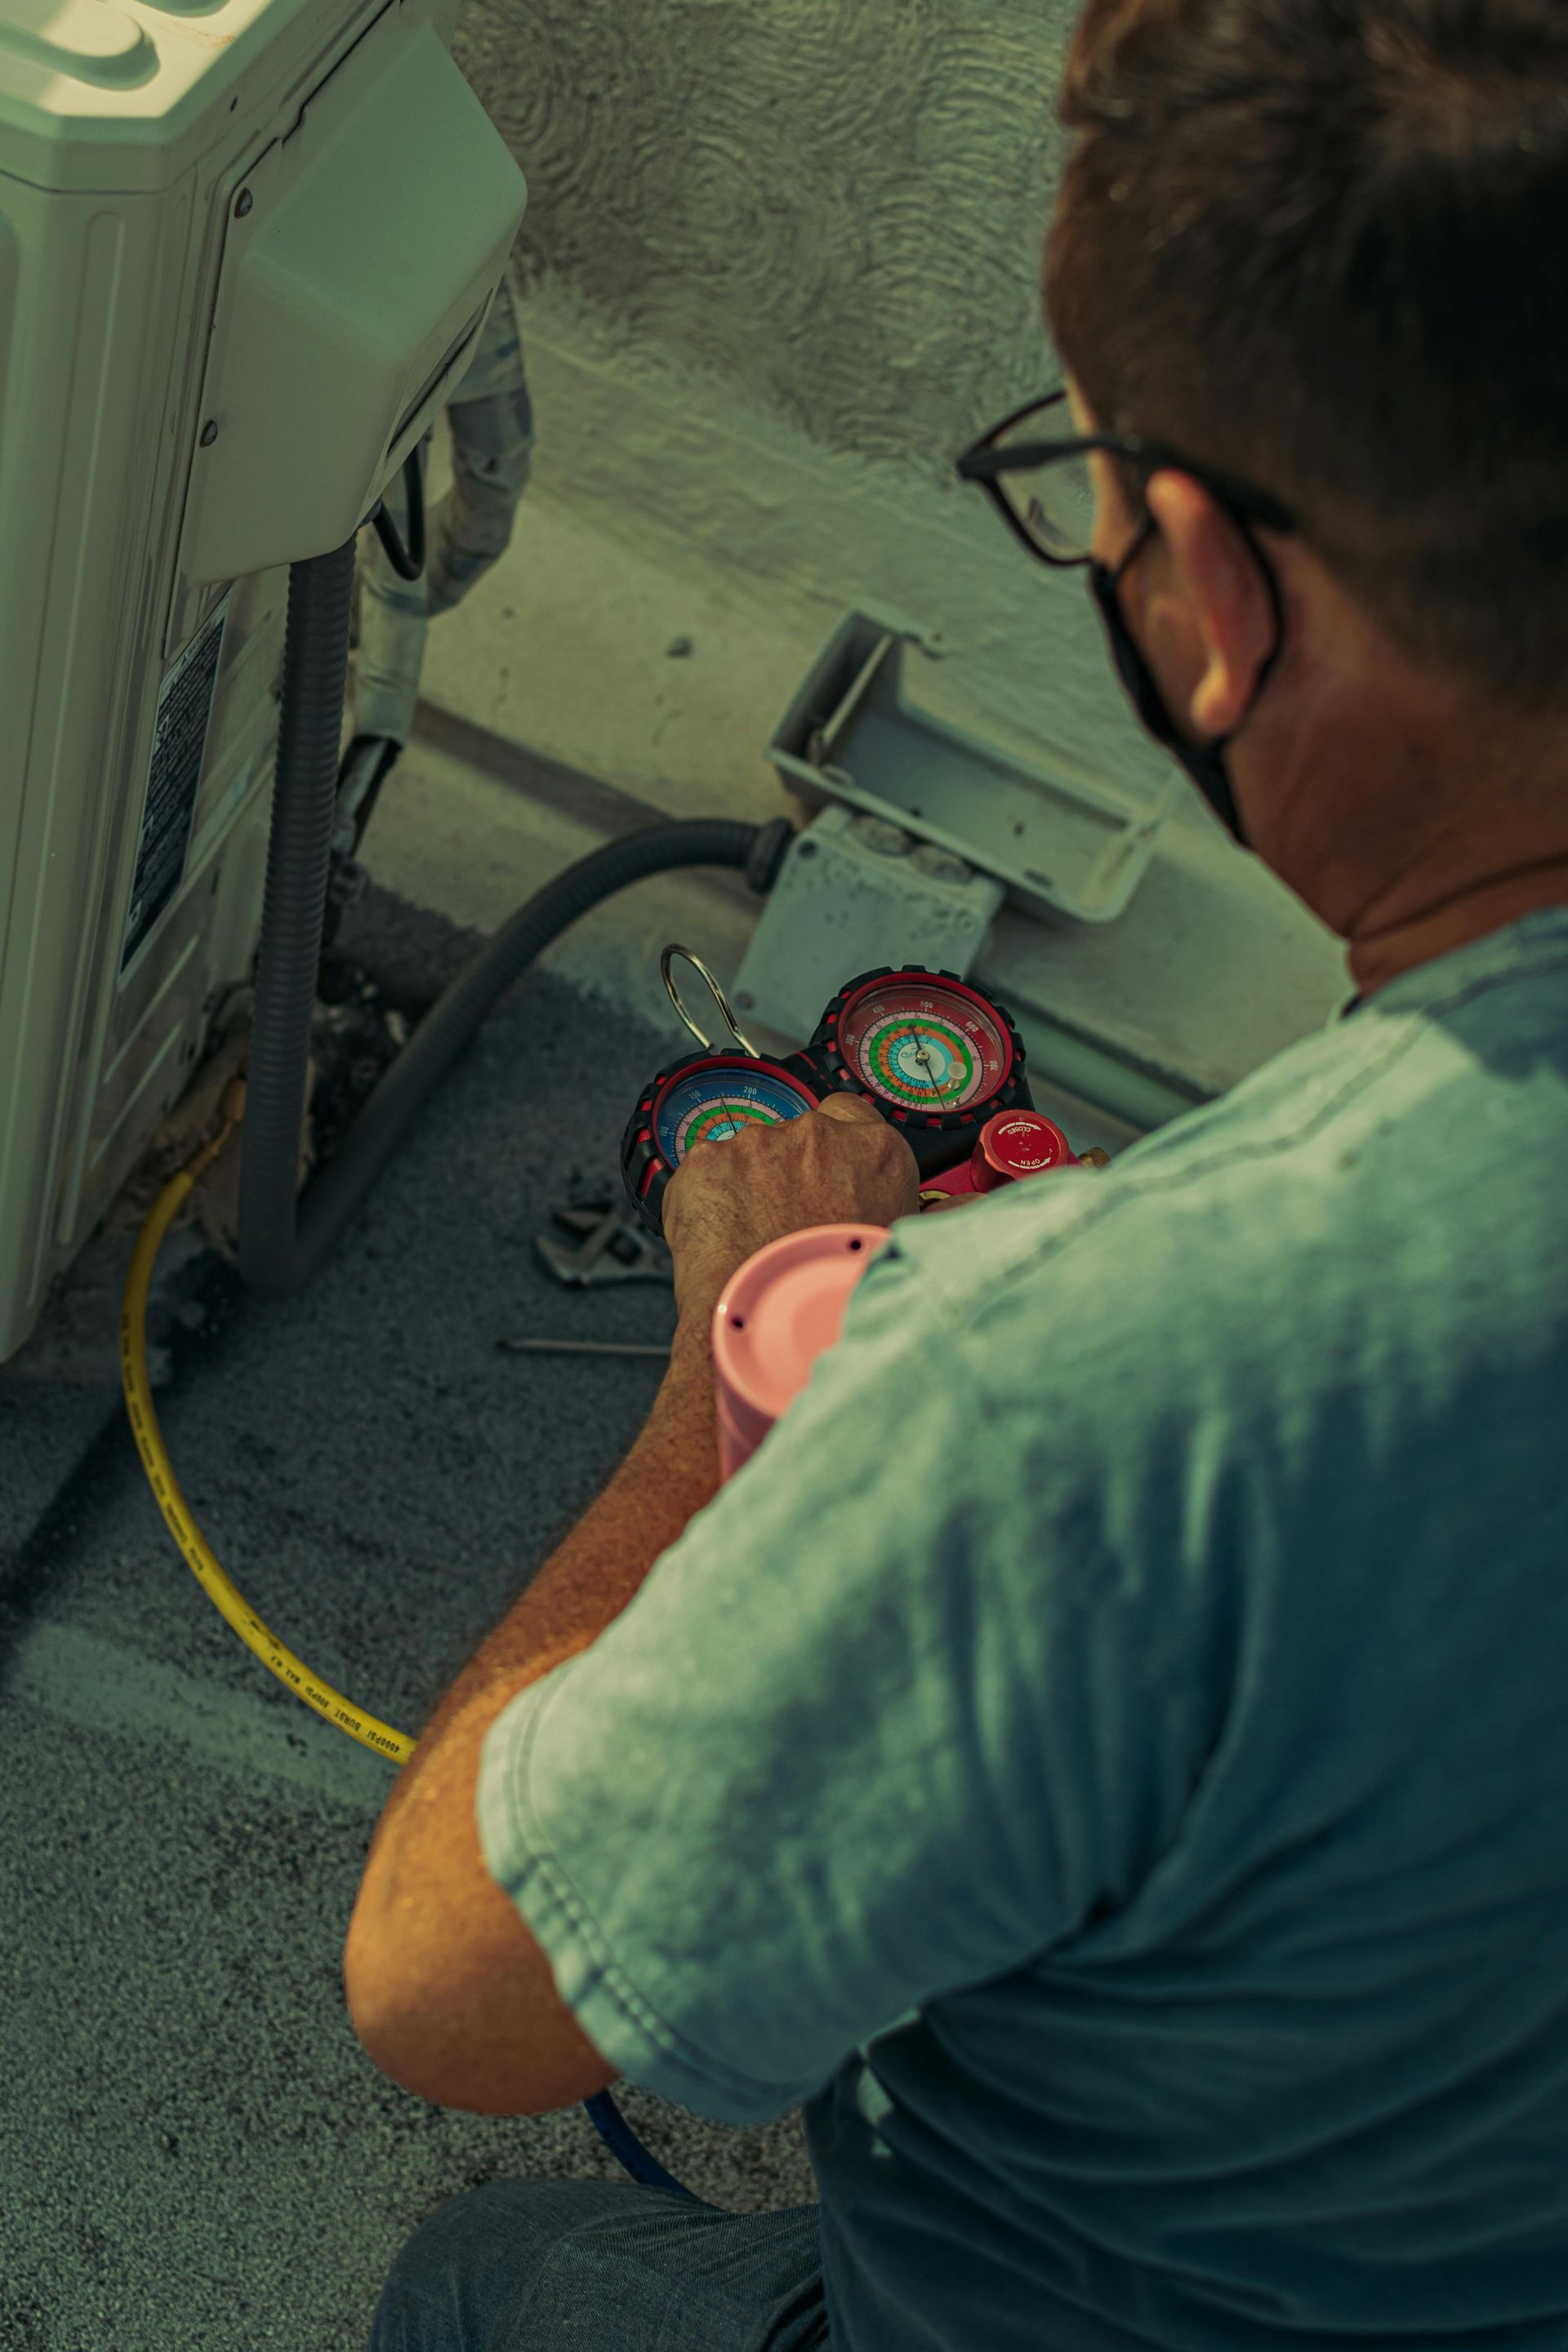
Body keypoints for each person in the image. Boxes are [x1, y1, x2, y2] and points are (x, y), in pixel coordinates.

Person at [344, 0, 1568, 2343]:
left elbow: (443, 1995)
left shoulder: (1062, 1399)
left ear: (1207, 594)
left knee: (494, 2273)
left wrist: (753, 1376)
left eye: (1085, 483)